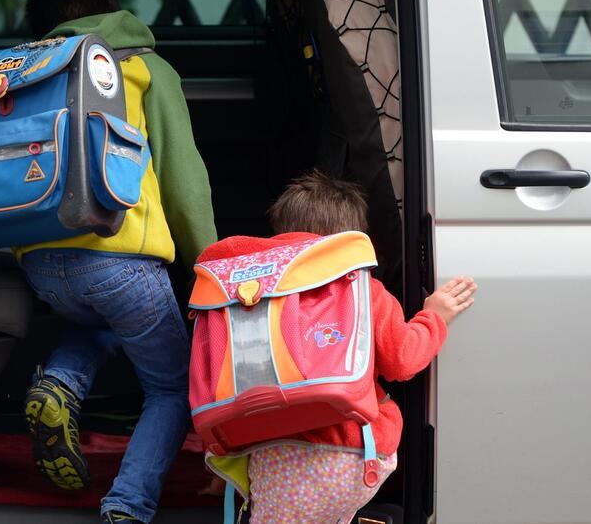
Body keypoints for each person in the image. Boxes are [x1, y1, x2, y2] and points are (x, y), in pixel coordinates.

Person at [15, 0, 217, 524]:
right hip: (120, 259)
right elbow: (183, 179)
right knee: (172, 388)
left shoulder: (25, 70)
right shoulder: (141, 68)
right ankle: (128, 506)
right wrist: (214, 265)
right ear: (112, 13)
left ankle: (58, 384)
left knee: (99, 321)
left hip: (41, 265)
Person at [196, 171, 475, 523]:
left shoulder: (252, 299)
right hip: (352, 454)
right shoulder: (363, 292)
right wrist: (433, 317)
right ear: (351, 241)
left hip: (269, 458)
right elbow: (402, 360)